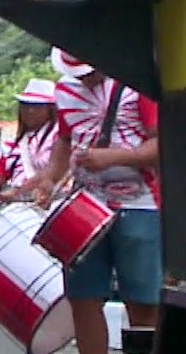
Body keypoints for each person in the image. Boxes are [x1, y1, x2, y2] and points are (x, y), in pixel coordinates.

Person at [24, 49, 160, 354]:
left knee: (142, 301)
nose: (84, 80)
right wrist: (49, 178)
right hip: (85, 206)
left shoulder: (135, 84)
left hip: (139, 205)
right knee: (82, 297)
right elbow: (64, 140)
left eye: (89, 73)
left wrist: (115, 157)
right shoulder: (63, 91)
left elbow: (161, 142)